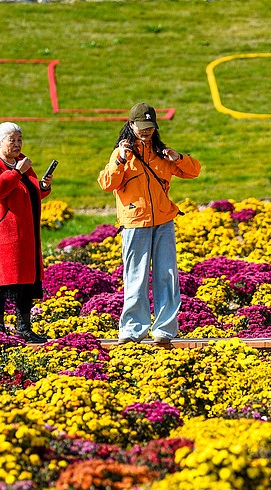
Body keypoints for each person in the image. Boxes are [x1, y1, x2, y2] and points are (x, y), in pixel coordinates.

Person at [98, 103, 201, 346]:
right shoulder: (121, 154)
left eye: (149, 128)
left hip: (164, 221)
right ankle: (133, 329)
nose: (145, 132)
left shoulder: (162, 153)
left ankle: (165, 329)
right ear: (131, 125)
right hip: (134, 223)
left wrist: (178, 158)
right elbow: (106, 183)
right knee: (136, 277)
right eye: (141, 127)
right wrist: (120, 160)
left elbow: (194, 171)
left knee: (167, 275)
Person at [0, 121, 52, 343]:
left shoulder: (22, 163)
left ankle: (24, 327)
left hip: (27, 233)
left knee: (25, 280)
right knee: (1, 278)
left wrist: (44, 186)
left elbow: (31, 193)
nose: (18, 144)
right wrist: (16, 173)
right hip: (5, 232)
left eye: (20, 139)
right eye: (12, 140)